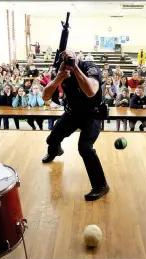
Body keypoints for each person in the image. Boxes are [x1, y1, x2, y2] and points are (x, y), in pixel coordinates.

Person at [41, 50, 109, 201]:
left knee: (85, 148)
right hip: (72, 113)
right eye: (65, 61)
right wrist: (59, 78)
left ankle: (101, 185)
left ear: (77, 58)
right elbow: (45, 96)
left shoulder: (90, 68)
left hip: (92, 115)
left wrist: (75, 69)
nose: (68, 64)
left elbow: (91, 91)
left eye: (70, 60)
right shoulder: (61, 71)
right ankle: (55, 151)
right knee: (52, 138)